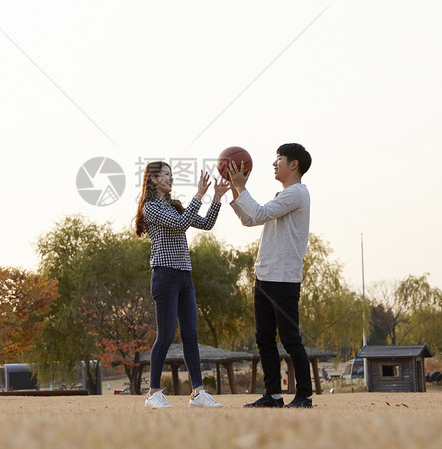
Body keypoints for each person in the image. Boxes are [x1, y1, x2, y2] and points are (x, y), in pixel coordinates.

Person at [134, 161, 229, 408]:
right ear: (153, 179)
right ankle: (153, 393)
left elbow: (205, 223)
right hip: (165, 275)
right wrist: (199, 194)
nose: (171, 178)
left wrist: (216, 198)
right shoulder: (151, 208)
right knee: (165, 336)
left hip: (185, 276)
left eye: (172, 174)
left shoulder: (174, 206)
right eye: (166, 174)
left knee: (190, 336)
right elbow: (180, 224)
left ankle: (198, 392)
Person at [227, 143, 314, 409]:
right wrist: (234, 187)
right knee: (264, 339)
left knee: (290, 339)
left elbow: (261, 212)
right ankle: (273, 395)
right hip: (265, 275)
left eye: (278, 160)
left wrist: (242, 187)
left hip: (284, 278)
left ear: (294, 164)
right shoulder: (283, 195)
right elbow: (250, 219)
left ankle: (304, 396)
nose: (274, 165)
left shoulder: (297, 193)